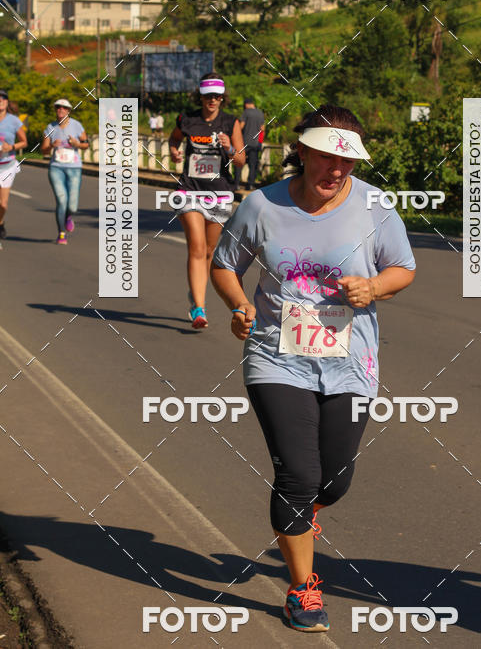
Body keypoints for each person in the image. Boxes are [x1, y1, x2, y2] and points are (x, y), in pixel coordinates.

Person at [211, 104, 416, 632]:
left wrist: (373, 286)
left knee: (335, 479)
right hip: (277, 356)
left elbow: (403, 268)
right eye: (326, 158)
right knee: (298, 476)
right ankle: (302, 589)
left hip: (351, 362)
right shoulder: (262, 205)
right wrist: (239, 306)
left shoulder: (375, 205)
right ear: (301, 152)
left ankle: (304, 510)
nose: (337, 171)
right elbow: (224, 266)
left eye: (347, 163)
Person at [168, 73, 245, 329]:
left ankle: (195, 294)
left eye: (217, 96)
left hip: (219, 192)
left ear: (223, 97)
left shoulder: (230, 122)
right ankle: (199, 309)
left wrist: (230, 150)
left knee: (211, 252)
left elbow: (241, 161)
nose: (212, 100)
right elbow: (174, 138)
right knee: (197, 247)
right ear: (200, 97)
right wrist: (174, 151)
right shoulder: (186, 119)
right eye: (207, 95)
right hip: (189, 190)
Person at [41, 99, 89, 245]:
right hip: (56, 167)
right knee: (61, 201)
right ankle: (61, 234)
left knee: (72, 205)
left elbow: (86, 144)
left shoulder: (77, 126)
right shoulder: (50, 127)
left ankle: (69, 216)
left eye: (64, 108)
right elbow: (43, 150)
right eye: (58, 107)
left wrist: (77, 144)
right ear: (56, 110)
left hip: (74, 168)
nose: (61, 110)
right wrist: (51, 147)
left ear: (68, 110)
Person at [0, 88, 28, 240]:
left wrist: (10, 147)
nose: (0, 100)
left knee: (3, 204)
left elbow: (24, 142)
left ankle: (0, 222)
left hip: (7, 165)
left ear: (6, 101)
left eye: (3, 98)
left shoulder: (14, 121)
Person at [234, 98, 265, 190]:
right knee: (253, 164)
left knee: (239, 163)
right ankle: (250, 184)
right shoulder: (260, 113)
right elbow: (262, 129)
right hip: (255, 143)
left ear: (246, 104)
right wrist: (260, 142)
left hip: (244, 143)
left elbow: (240, 126)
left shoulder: (246, 112)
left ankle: (236, 184)